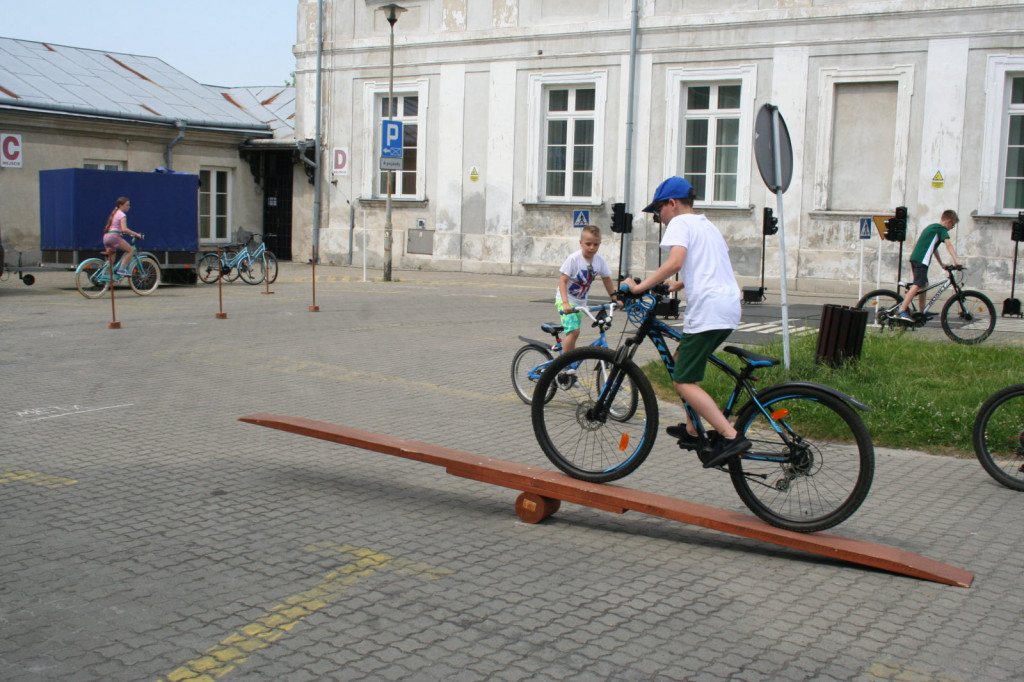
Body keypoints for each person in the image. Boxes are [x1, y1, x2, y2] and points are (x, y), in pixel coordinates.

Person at [626, 176, 749, 469]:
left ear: (672, 203)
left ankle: (730, 436)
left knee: (682, 380)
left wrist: (639, 288)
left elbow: (676, 261)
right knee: (681, 359)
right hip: (726, 306)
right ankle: (693, 428)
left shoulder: (681, 223)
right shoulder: (707, 225)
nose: (660, 219)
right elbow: (709, 267)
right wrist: (677, 286)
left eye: (658, 212)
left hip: (709, 311)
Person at [555, 224, 618, 355]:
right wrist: (565, 303)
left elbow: (607, 279)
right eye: (588, 244)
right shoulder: (574, 259)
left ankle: (570, 364)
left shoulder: (599, 261)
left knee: (574, 333)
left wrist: (614, 298)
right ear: (580, 243)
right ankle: (563, 367)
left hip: (580, 303)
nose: (591, 248)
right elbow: (563, 280)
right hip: (566, 301)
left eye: (596, 245)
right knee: (574, 332)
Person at [896, 209, 962, 321]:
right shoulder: (941, 229)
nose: (952, 228)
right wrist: (957, 261)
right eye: (953, 225)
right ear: (949, 221)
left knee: (924, 284)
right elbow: (949, 245)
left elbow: (933, 249)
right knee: (918, 284)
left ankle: (922, 311)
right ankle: (901, 309)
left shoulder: (933, 227)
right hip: (921, 260)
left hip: (917, 258)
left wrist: (942, 264)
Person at [101, 197, 142, 276]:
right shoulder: (122, 214)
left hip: (106, 237)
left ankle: (104, 275)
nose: (129, 207)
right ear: (120, 205)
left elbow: (116, 228)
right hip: (113, 237)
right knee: (130, 250)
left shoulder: (115, 212)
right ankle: (122, 270)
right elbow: (124, 229)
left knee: (111, 259)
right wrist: (137, 234)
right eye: (127, 205)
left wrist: (121, 233)